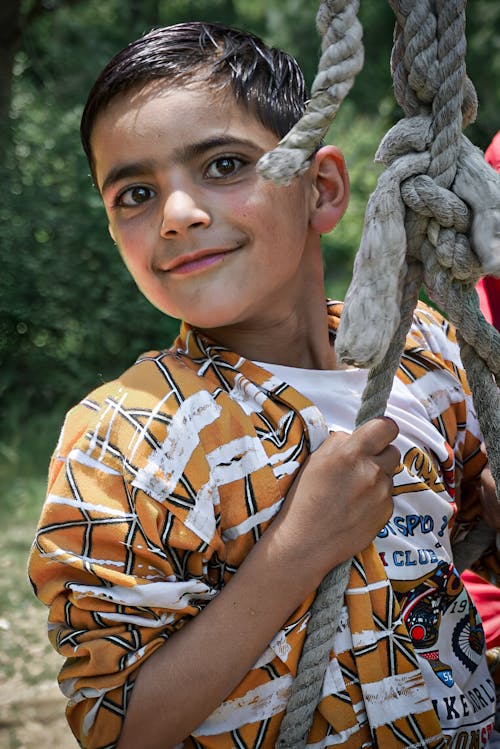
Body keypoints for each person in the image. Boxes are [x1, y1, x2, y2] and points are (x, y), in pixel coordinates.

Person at [28, 22, 499, 749]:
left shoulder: (426, 350)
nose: (177, 216)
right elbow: (117, 728)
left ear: (323, 188)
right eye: (135, 194)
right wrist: (297, 551)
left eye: (222, 165)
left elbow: (474, 523)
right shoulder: (122, 442)